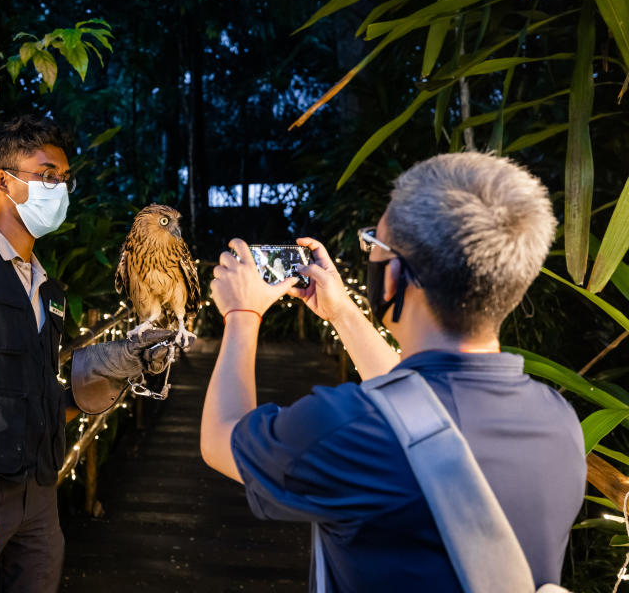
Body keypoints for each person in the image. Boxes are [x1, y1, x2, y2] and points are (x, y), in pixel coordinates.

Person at [200, 152, 586, 591]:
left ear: (393, 275)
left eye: (374, 245)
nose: (371, 255)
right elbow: (419, 418)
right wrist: (342, 312)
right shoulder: (558, 422)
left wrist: (242, 314)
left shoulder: (351, 428)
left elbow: (221, 438)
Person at [0, 114, 174, 593]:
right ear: (3, 181)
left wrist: (118, 363)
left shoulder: (46, 289)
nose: (59, 188)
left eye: (64, 178)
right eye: (46, 175)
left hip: (39, 497)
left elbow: (43, 404)